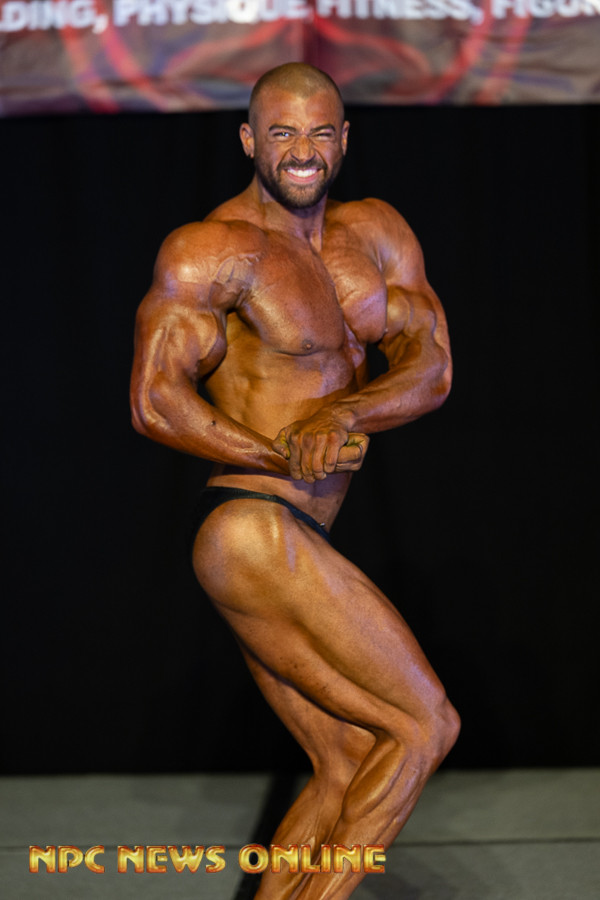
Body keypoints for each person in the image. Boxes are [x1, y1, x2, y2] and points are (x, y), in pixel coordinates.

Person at [130, 62, 460, 900]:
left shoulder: (376, 233)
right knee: (425, 724)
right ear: (250, 141)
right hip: (250, 525)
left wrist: (344, 414)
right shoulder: (213, 248)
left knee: (346, 759)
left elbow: (431, 369)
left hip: (294, 533)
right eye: (282, 133)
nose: (302, 150)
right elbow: (155, 400)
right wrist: (283, 455)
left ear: (344, 140)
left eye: (319, 132)